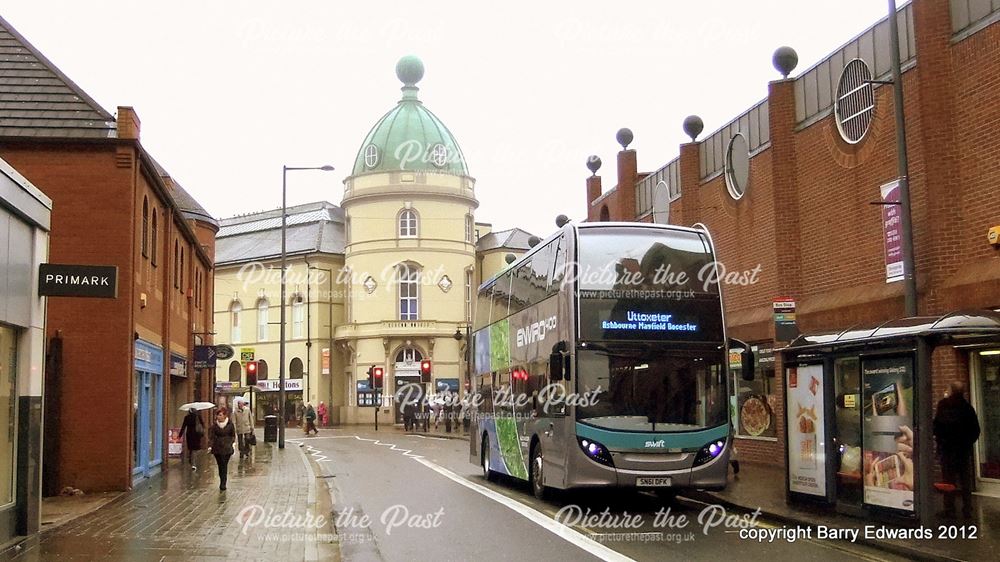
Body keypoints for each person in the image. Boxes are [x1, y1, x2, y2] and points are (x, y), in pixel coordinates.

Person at [933, 381, 981, 518]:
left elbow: (937, 426)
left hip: (947, 450)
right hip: (963, 451)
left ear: (952, 391)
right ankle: (967, 509)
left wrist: (941, 441)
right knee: (965, 480)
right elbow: (975, 430)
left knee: (948, 480)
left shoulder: (943, 405)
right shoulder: (968, 408)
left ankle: (949, 509)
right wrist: (967, 443)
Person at [208, 407, 236, 491]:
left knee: (224, 464)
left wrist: (230, 442)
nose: (218, 417)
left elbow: (233, 435)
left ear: (224, 416)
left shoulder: (230, 425)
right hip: (217, 448)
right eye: (217, 415)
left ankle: (223, 482)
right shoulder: (214, 426)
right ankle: (221, 479)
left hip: (227, 448)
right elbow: (211, 436)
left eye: (220, 415)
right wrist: (212, 444)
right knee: (220, 465)